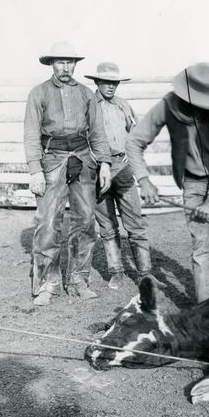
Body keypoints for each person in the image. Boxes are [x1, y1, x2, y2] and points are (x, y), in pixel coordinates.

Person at [126, 62, 209, 302]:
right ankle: (207, 308)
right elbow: (134, 141)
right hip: (194, 184)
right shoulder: (168, 106)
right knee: (202, 249)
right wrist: (144, 180)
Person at [24, 41, 112, 305]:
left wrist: (105, 163)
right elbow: (31, 134)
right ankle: (47, 283)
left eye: (70, 62)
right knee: (48, 223)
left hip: (83, 160)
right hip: (52, 161)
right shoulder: (38, 93)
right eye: (60, 62)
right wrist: (35, 170)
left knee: (85, 221)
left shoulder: (86, 94)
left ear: (75, 64)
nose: (66, 67)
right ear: (52, 64)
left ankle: (78, 279)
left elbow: (97, 131)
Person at [85, 62, 156, 289]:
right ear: (97, 81)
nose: (111, 86)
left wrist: (130, 155)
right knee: (107, 225)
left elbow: (136, 135)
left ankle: (145, 273)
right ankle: (116, 271)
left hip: (123, 168)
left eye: (114, 82)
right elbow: (81, 138)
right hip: (97, 171)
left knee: (135, 221)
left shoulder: (123, 106)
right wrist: (96, 162)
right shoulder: (87, 105)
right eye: (106, 82)